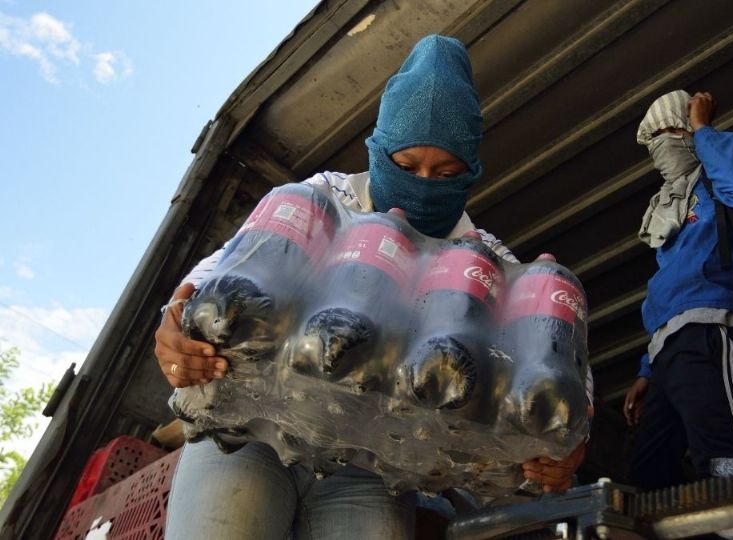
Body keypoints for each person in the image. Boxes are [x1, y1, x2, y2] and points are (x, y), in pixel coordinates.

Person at [154, 35, 590, 539]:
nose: (424, 183)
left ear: (470, 173)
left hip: (370, 464)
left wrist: (564, 446)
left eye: (446, 173)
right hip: (248, 429)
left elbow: (556, 365)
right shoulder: (321, 199)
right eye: (406, 167)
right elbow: (217, 274)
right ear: (378, 150)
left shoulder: (486, 263)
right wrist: (176, 329)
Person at [622, 90, 733, 491]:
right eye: (654, 139)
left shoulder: (717, 188)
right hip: (667, 349)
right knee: (649, 477)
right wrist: (646, 369)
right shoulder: (668, 207)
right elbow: (671, 290)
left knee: (725, 463)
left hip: (707, 330)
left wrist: (704, 128)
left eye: (670, 131)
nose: (660, 146)